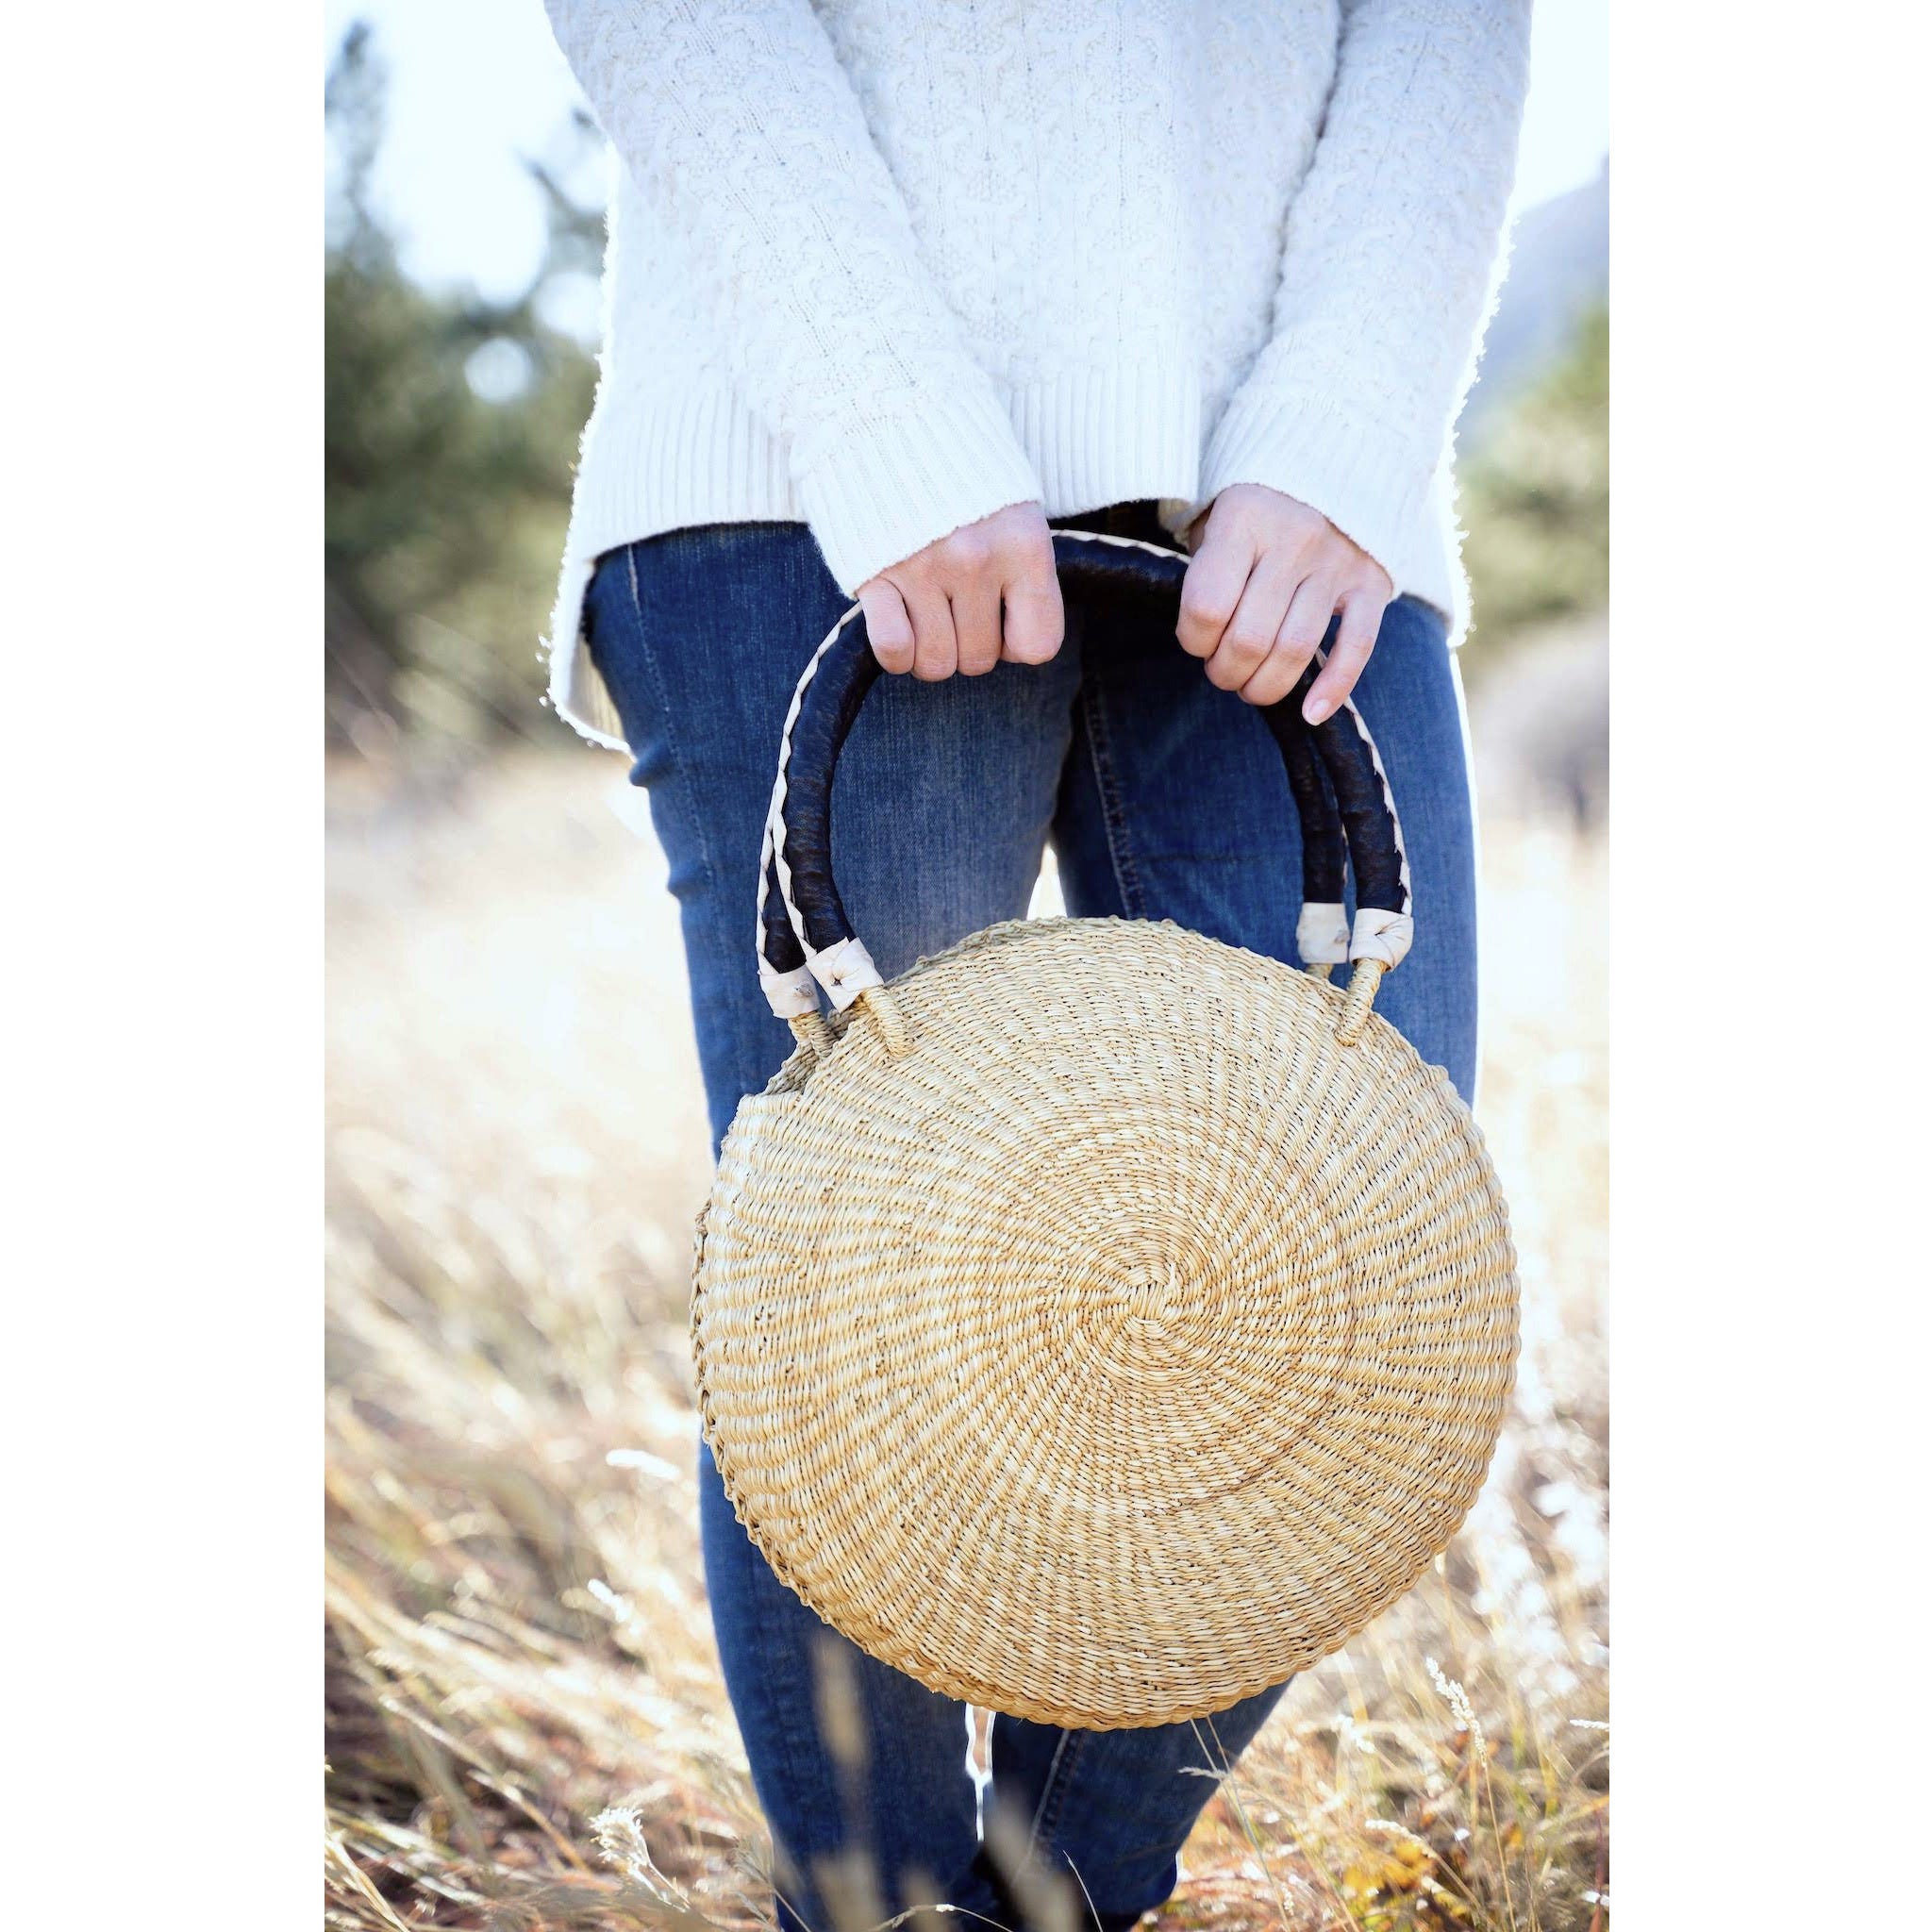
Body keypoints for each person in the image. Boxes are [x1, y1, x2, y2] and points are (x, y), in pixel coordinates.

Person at [538, 4, 1529, 1926]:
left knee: (1351, 1253)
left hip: (1292, 479)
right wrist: (880, 399)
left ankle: (1042, 1908)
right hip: (793, 459)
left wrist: (1343, 426)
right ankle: (884, 1905)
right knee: (839, 1290)